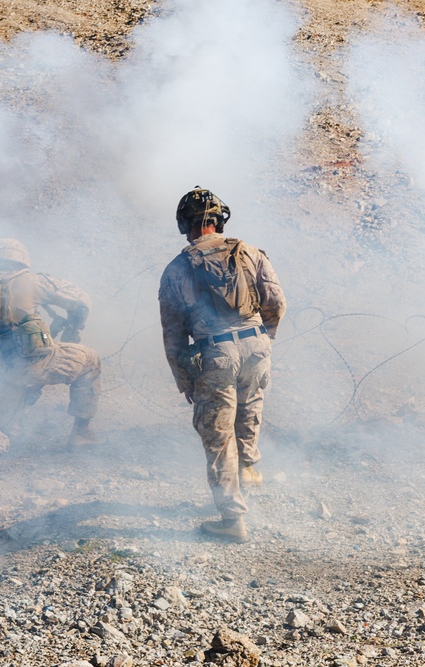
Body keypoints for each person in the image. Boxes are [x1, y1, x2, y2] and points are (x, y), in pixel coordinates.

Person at [158, 187, 286, 543]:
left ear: (185, 224)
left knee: (217, 433)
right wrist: (263, 339)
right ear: (219, 220)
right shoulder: (250, 252)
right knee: (249, 406)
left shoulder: (177, 268)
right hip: (256, 344)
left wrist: (184, 379)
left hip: (214, 352)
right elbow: (276, 303)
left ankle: (232, 519)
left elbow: (173, 333)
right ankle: (247, 470)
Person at [0, 238, 101, 479]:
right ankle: (81, 433)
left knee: (6, 426)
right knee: (90, 361)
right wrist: (74, 326)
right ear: (21, 260)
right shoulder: (30, 281)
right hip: (23, 363)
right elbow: (81, 300)